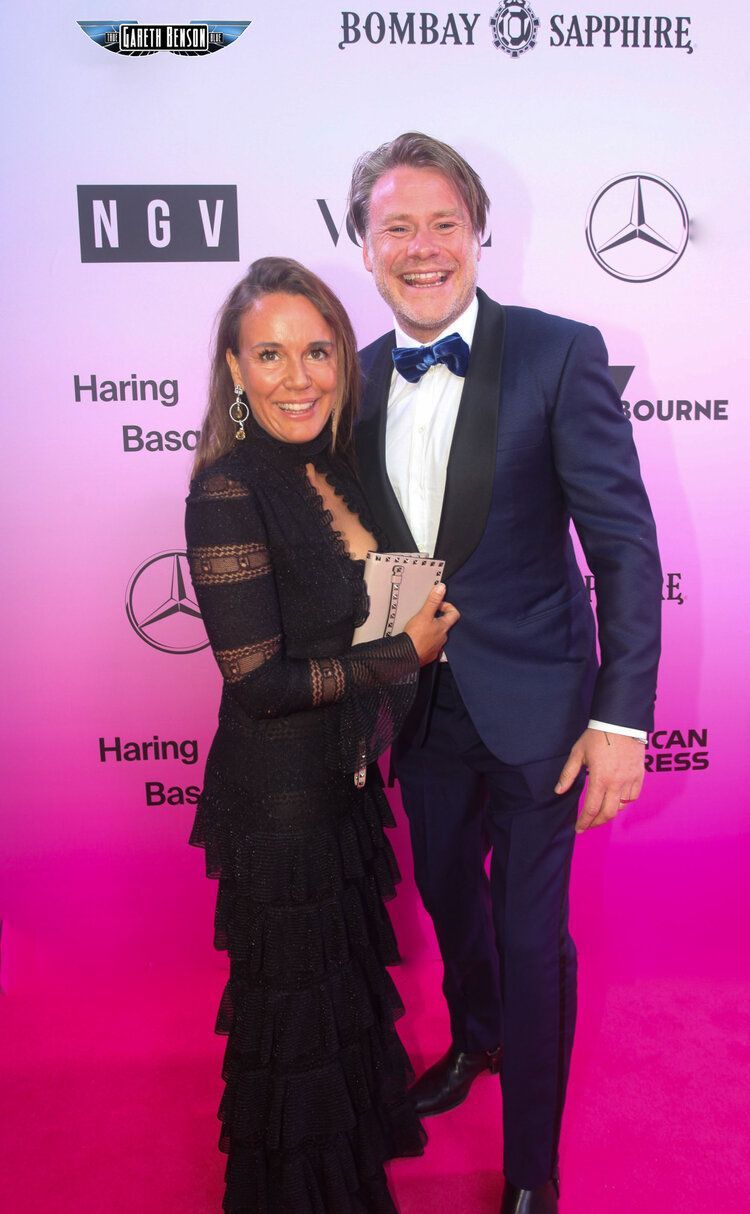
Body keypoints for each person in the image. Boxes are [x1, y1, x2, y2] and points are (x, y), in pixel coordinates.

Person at [347, 133, 662, 1214]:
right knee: (444, 897)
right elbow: (368, 550)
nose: (422, 247)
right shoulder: (348, 381)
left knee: (534, 936)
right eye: (397, 226)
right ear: (363, 243)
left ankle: (533, 1167)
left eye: (443, 223)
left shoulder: (557, 352)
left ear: (480, 235)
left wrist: (622, 718)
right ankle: (475, 1036)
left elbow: (622, 546)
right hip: (422, 707)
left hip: (542, 711)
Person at [185, 256, 459, 1214]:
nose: (296, 376)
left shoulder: (335, 469)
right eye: (269, 353)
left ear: (345, 360)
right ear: (233, 369)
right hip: (277, 803)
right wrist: (403, 657)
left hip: (339, 785)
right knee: (294, 1028)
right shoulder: (228, 491)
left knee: (333, 1008)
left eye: (316, 351)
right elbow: (255, 683)